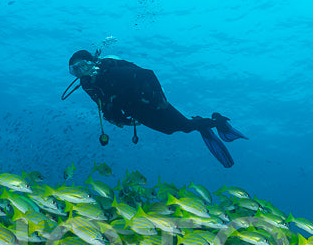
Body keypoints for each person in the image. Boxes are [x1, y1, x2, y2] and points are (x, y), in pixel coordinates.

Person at [62, 49, 245, 168]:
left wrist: (159, 98)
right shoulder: (87, 85)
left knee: (185, 127)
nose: (81, 72)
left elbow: (147, 74)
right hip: (134, 110)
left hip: (150, 101)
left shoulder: (110, 70)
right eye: (75, 70)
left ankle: (218, 121)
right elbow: (102, 104)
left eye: (83, 66)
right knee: (169, 130)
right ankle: (201, 125)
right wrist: (118, 119)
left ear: (91, 63)